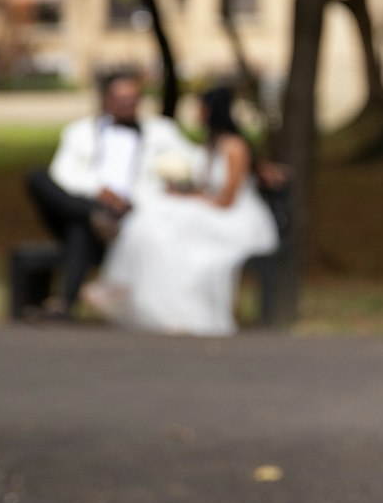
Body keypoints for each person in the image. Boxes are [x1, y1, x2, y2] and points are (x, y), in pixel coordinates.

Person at [85, 86, 280, 336]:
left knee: (166, 222)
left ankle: (135, 292)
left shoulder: (234, 146)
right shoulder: (212, 144)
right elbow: (206, 187)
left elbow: (226, 200)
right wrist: (183, 193)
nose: (197, 115)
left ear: (211, 112)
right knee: (156, 218)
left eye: (200, 109)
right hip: (214, 210)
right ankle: (136, 294)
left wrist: (192, 199)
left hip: (236, 219)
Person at [26, 70, 186, 318]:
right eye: (121, 99)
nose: (127, 105)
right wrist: (99, 192)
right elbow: (62, 173)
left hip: (130, 213)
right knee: (38, 178)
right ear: (106, 101)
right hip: (87, 202)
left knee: (79, 227)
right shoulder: (78, 132)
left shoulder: (161, 132)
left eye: (132, 99)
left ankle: (64, 304)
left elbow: (190, 161)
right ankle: (93, 215)